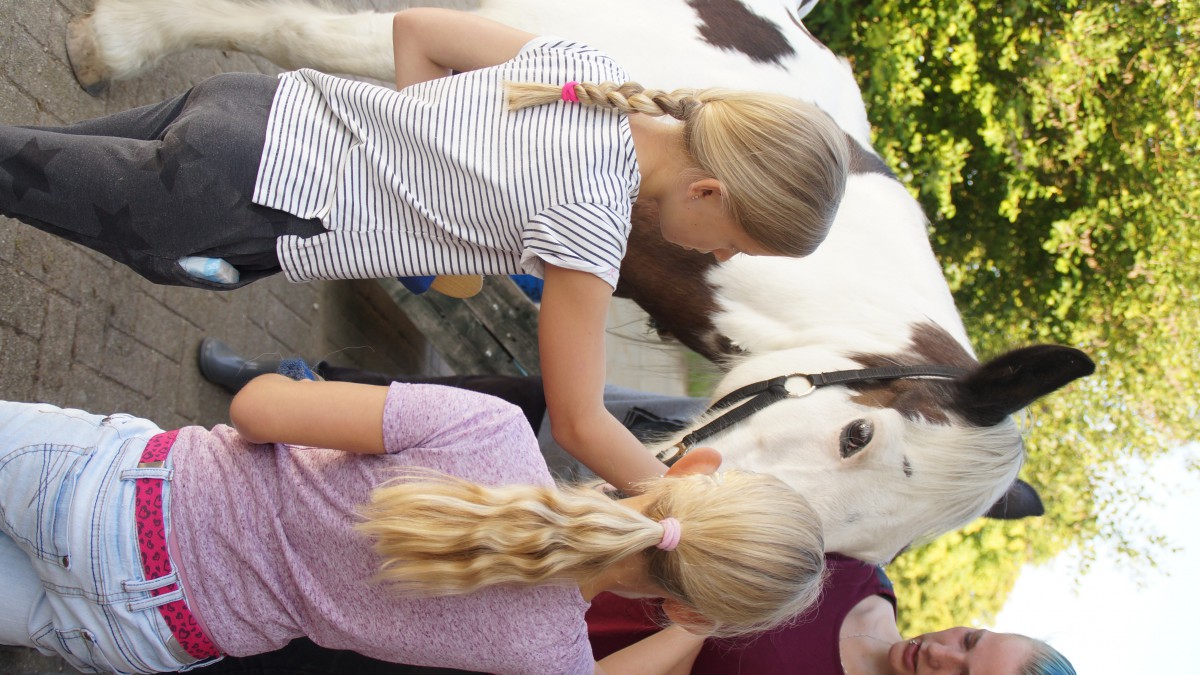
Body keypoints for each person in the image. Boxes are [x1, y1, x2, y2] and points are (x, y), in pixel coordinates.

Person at [0, 8, 850, 495]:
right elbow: (584, 420)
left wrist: (425, 153)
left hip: (255, 109)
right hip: (244, 204)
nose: (720, 256)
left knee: (24, 158)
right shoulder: (591, 226)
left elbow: (417, 32)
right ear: (710, 194)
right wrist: (676, 506)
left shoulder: (584, 70)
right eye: (736, 242)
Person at [194, 345, 1079, 675]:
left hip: (533, 655)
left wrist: (699, 624)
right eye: (971, 640)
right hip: (546, 568)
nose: (946, 654)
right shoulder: (855, 570)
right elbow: (719, 509)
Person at [0, 375, 827, 674]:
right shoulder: (549, 659)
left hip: (111, 497)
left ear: (686, 474)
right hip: (151, 634)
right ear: (690, 610)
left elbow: (256, 406)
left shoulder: (491, 431)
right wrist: (697, 623)